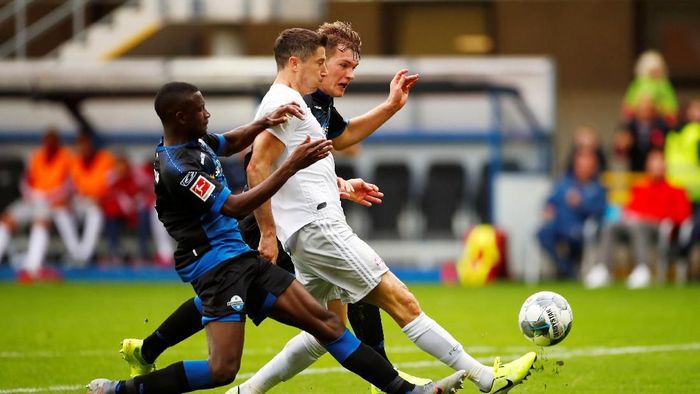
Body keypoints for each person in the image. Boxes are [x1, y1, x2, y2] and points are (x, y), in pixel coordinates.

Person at [87, 43, 464, 394]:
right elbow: (234, 206)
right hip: (216, 267)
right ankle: (123, 389)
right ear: (181, 117)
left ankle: (408, 391)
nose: (208, 114)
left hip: (242, 259)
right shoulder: (178, 169)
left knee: (329, 325)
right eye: (202, 110)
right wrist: (291, 166)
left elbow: (232, 142)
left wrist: (265, 121)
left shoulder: (192, 140)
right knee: (222, 370)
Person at [241, 26, 535, 394]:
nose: (345, 73)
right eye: (335, 63)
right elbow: (256, 165)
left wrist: (340, 185)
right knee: (401, 299)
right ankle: (485, 378)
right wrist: (268, 233)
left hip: (306, 227)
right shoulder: (288, 99)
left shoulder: (304, 101)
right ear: (309, 60)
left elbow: (304, 158)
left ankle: (245, 391)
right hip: (314, 227)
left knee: (324, 330)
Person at [585, 149, 692, 289]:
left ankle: (643, 269)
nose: (656, 167)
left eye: (659, 163)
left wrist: (652, 218)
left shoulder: (676, 189)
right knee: (611, 225)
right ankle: (602, 269)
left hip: (660, 228)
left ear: (665, 166)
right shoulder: (639, 187)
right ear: (647, 166)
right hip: (634, 225)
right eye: (653, 163)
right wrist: (627, 216)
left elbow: (683, 216)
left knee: (638, 225)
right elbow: (629, 209)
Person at [0, 127, 74, 281]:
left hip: (51, 201)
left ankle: (32, 268)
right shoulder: (36, 156)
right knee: (6, 219)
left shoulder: (66, 157)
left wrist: (51, 197)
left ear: (57, 142)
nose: (49, 144)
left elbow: (69, 184)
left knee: (40, 222)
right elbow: (25, 181)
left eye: (52, 141)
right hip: (32, 198)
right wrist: (30, 195)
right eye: (47, 140)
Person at [537, 149, 607, 279]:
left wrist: (581, 204)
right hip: (558, 225)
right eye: (580, 164)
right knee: (542, 234)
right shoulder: (563, 183)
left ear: (593, 167)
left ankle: (568, 270)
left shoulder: (598, 188)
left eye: (587, 164)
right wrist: (548, 209)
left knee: (575, 239)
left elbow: (601, 210)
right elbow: (550, 201)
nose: (583, 168)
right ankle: (566, 268)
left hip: (580, 227)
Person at [63, 132, 116, 266]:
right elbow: (68, 186)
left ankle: (83, 256)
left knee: (95, 213)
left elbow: (113, 185)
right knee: (61, 212)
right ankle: (75, 253)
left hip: (98, 201)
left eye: (86, 145)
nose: (83, 148)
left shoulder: (105, 159)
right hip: (78, 202)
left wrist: (100, 197)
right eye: (80, 145)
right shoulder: (73, 161)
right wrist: (67, 199)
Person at [622, 49, 678, 126]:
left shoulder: (664, 85)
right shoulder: (638, 83)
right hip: (637, 121)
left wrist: (658, 108)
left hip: (659, 121)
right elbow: (629, 103)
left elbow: (671, 107)